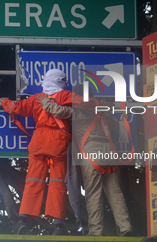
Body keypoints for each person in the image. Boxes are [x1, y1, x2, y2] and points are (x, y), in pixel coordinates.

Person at [35, 85, 133, 237]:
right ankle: (126, 228)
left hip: (92, 156)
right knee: (115, 194)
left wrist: (45, 101)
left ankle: (95, 232)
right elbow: (115, 127)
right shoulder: (102, 111)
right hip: (110, 155)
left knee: (93, 194)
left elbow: (58, 111)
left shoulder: (78, 112)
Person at [0, 69, 75, 236]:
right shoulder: (65, 96)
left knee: (33, 179)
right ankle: (58, 225)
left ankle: (23, 219)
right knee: (57, 182)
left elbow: (15, 107)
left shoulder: (36, 98)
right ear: (60, 81)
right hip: (58, 143)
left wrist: (4, 100)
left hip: (39, 142)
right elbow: (86, 105)